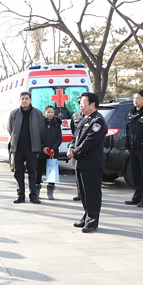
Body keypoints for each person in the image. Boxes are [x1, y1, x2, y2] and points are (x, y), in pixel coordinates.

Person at [67, 92, 107, 232]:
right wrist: (71, 147)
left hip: (91, 163)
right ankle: (86, 216)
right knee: (83, 193)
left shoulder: (98, 121)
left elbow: (90, 142)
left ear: (92, 104)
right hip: (80, 163)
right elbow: (76, 136)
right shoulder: (84, 119)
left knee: (92, 193)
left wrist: (75, 152)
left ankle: (92, 221)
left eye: (83, 102)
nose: (80, 105)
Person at [7, 92, 45, 204]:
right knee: (18, 172)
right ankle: (20, 195)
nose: (24, 100)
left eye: (27, 98)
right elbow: (10, 128)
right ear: (20, 100)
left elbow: (41, 128)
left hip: (32, 148)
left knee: (33, 172)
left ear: (30, 100)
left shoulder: (37, 113)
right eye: (22, 98)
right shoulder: (14, 113)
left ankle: (33, 195)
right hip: (18, 148)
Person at [37, 105, 62, 200]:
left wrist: (53, 148)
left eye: (52, 112)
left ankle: (50, 192)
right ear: (44, 113)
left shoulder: (57, 124)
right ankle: (36, 191)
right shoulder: (40, 123)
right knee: (38, 172)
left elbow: (59, 138)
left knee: (52, 173)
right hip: (41, 152)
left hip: (53, 152)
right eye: (48, 112)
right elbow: (37, 137)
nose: (50, 114)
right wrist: (43, 147)